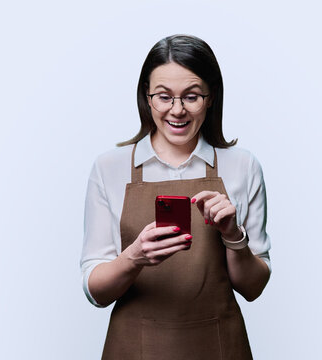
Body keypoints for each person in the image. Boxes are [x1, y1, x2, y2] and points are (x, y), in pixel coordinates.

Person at [80, 34, 271, 360]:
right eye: (164, 97)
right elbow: (95, 292)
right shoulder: (109, 168)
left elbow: (252, 288)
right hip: (134, 344)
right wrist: (134, 257)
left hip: (219, 345)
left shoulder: (242, 166)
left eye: (192, 96)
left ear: (211, 98)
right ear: (147, 97)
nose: (177, 110)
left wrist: (233, 236)